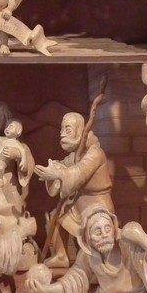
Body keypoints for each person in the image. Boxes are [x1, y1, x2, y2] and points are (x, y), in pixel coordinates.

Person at [34, 111, 114, 267]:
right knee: (57, 216)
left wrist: (58, 173)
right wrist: (55, 168)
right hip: (79, 205)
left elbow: (78, 174)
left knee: (94, 232)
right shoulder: (75, 155)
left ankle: (96, 263)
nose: (62, 134)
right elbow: (65, 166)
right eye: (61, 130)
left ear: (79, 130)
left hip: (96, 205)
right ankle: (61, 255)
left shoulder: (94, 153)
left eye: (68, 129)